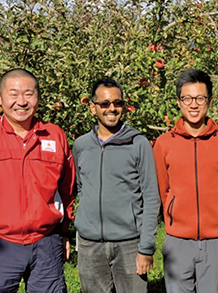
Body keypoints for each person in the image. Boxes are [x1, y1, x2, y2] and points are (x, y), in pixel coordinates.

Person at [0, 69, 75, 293]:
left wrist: (65, 232)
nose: (21, 101)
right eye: (14, 94)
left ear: (38, 97)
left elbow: (67, 189)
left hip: (47, 242)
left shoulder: (55, 136)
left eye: (28, 94)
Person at [153, 68, 218, 293]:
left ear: (209, 101)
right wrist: (174, 214)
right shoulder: (164, 144)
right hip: (177, 241)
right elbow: (162, 189)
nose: (194, 104)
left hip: (215, 242)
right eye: (187, 98)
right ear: (178, 101)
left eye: (200, 98)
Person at [73, 78, 160, 293]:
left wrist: (146, 247)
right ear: (93, 108)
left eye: (117, 103)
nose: (112, 108)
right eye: (104, 103)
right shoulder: (81, 145)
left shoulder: (138, 143)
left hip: (129, 244)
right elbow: (81, 187)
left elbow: (151, 196)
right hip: (90, 244)